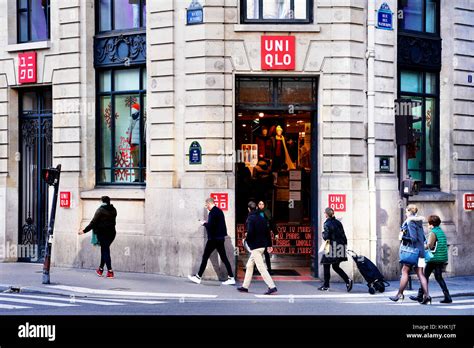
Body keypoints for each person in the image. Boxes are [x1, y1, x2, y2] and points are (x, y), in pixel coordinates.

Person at [188, 198, 235, 285]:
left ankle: (198, 277)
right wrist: (208, 223)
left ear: (209, 204)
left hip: (213, 239)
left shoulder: (212, 213)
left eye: (206, 205)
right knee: (224, 258)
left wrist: (204, 223)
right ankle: (231, 277)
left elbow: (211, 227)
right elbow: (217, 224)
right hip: (220, 238)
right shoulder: (219, 211)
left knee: (205, 257)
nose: (206, 207)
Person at [390, 204, 431, 304]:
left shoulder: (410, 222)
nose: (405, 213)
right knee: (421, 274)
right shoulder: (419, 222)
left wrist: (402, 237)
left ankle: (399, 294)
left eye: (406, 212)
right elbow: (421, 237)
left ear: (409, 212)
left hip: (412, 252)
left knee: (405, 271)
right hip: (420, 252)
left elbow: (413, 238)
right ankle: (427, 296)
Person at [409, 215, 452, 304]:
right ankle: (447, 296)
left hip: (434, 258)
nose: (427, 225)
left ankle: (420, 296)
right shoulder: (440, 231)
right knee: (438, 277)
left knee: (424, 276)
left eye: (428, 223)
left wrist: (421, 247)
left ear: (431, 224)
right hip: (441, 258)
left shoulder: (433, 232)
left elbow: (430, 246)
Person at [237, 201, 277, 295]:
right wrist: (269, 244)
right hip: (262, 245)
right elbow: (267, 232)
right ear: (256, 208)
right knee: (249, 266)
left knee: (261, 267)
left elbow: (250, 232)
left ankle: (272, 286)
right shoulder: (262, 218)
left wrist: (246, 241)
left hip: (255, 247)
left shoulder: (250, 218)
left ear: (248, 209)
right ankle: (245, 286)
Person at [78, 196, 117, 279]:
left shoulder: (100, 210)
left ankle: (110, 271)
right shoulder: (114, 210)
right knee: (104, 250)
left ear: (102, 202)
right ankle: (100, 269)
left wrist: (83, 231)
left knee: (105, 251)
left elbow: (93, 223)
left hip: (103, 234)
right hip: (112, 234)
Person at [319, 207, 353, 292]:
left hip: (330, 247)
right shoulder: (338, 223)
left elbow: (327, 237)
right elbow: (343, 236)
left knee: (326, 264)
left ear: (326, 214)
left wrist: (323, 234)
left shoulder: (327, 224)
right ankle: (348, 280)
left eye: (325, 213)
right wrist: (344, 246)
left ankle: (326, 285)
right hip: (340, 246)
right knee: (336, 266)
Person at [258, 200, 275, 275]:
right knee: (257, 253)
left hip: (266, 235)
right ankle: (256, 268)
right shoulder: (255, 213)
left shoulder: (267, 212)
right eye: (260, 204)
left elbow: (272, 223)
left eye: (262, 204)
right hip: (258, 236)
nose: (261, 205)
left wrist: (275, 232)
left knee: (266, 253)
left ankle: (269, 269)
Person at [128, 103, 141, 181]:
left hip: (138, 144)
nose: (132, 111)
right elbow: (130, 132)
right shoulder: (131, 120)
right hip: (132, 144)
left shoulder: (140, 120)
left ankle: (141, 178)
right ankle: (136, 178)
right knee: (135, 163)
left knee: (139, 162)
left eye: (134, 109)